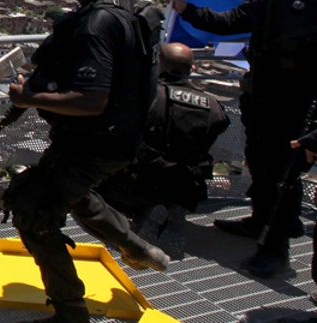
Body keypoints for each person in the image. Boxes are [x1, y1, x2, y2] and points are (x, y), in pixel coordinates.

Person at [6, 0, 169, 323]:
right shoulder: (124, 6)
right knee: (71, 192)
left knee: (33, 209)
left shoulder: (96, 23)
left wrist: (30, 100)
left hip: (94, 142)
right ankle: (138, 249)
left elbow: (90, 100)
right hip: (113, 139)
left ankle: (70, 312)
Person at [171, 0, 317, 278]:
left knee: (282, 176)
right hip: (263, 96)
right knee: (262, 167)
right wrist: (188, 10)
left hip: (299, 103)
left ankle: (274, 249)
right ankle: (262, 222)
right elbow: (233, 21)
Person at [97, 42, 230, 259]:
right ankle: (172, 209)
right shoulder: (214, 106)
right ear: (191, 69)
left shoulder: (146, 97)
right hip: (186, 188)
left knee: (99, 185)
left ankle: (145, 210)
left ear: (159, 65)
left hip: (141, 183)